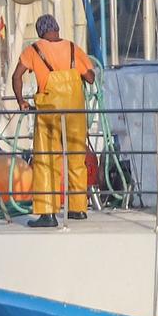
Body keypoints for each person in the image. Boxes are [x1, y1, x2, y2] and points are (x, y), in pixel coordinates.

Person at [12, 14, 96, 228]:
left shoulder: (34, 50)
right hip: (75, 111)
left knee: (46, 161)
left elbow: (16, 76)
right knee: (77, 158)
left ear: (40, 32)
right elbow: (90, 77)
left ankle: (48, 214)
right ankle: (78, 208)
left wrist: (22, 101)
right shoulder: (72, 48)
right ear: (57, 29)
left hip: (49, 111)